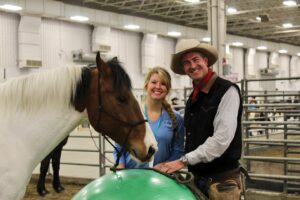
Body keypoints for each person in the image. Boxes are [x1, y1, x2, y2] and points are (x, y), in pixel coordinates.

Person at [154, 39, 243, 200]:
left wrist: (183, 161)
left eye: (196, 60)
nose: (192, 66)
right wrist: (170, 163)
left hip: (221, 181)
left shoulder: (227, 91)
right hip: (196, 178)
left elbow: (221, 140)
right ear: (184, 68)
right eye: (187, 63)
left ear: (205, 61)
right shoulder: (193, 99)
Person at [113, 67, 185, 169]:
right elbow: (119, 147)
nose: (158, 86)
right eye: (154, 82)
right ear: (146, 85)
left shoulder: (176, 119)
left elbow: (178, 151)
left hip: (160, 176)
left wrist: (165, 166)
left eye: (163, 84)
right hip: (131, 175)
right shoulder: (131, 114)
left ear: (168, 89)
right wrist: (120, 165)